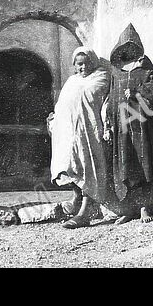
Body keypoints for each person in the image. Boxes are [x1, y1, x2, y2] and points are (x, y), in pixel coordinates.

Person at [104, 24, 153, 224]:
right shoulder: (117, 74)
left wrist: (138, 94)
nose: (129, 53)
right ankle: (132, 209)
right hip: (123, 130)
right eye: (125, 49)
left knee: (145, 166)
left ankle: (145, 206)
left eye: (132, 48)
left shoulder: (150, 72)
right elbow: (111, 100)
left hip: (144, 129)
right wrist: (109, 122)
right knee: (127, 167)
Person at [47, 46, 113, 229]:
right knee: (70, 165)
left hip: (89, 130)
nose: (83, 67)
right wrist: (54, 119)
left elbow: (100, 101)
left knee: (87, 167)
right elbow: (62, 103)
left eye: (86, 63)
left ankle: (85, 212)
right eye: (79, 64)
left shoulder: (102, 77)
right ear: (74, 65)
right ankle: (77, 199)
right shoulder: (72, 80)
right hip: (68, 132)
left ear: (93, 61)